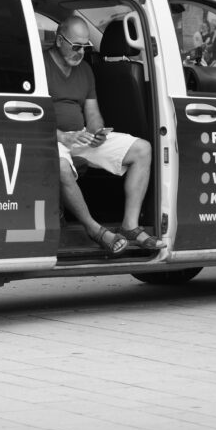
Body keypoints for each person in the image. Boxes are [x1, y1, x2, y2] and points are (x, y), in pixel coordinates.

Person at [44, 15, 164, 254]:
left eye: (85, 47)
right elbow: (32, 116)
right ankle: (94, 229)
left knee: (142, 149)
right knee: (60, 165)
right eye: (75, 46)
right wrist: (62, 137)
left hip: (80, 138)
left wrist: (96, 132)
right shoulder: (40, 65)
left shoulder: (85, 69)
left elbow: (93, 112)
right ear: (59, 40)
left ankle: (130, 225)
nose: (80, 52)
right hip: (48, 139)